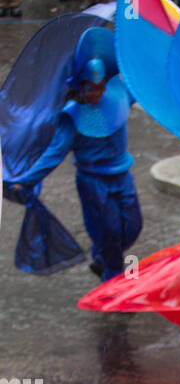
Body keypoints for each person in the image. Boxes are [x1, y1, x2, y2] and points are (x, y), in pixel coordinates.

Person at [12, 57, 142, 281]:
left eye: (100, 87)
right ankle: (114, 285)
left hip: (122, 176)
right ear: (80, 86)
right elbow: (54, 153)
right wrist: (26, 179)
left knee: (132, 227)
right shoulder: (71, 116)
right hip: (93, 183)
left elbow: (141, 84)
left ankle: (103, 257)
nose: (97, 94)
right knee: (109, 233)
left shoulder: (120, 96)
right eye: (91, 88)